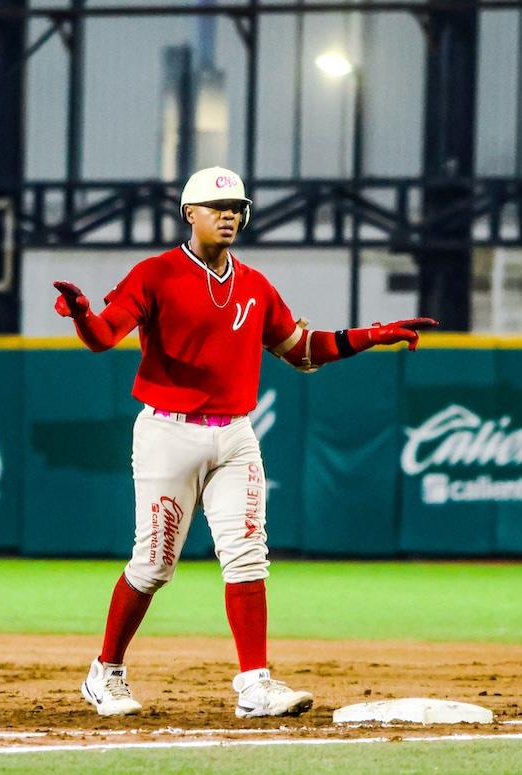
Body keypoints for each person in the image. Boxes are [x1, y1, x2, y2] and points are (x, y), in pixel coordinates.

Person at [54, 166, 437, 719]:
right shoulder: (156, 274)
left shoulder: (255, 285)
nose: (229, 214)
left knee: (247, 555)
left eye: (237, 206)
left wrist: (372, 336)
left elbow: (302, 349)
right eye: (217, 206)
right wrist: (84, 315)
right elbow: (103, 338)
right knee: (154, 564)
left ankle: (255, 684)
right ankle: (105, 671)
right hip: (167, 430)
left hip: (234, 434)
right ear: (190, 213)